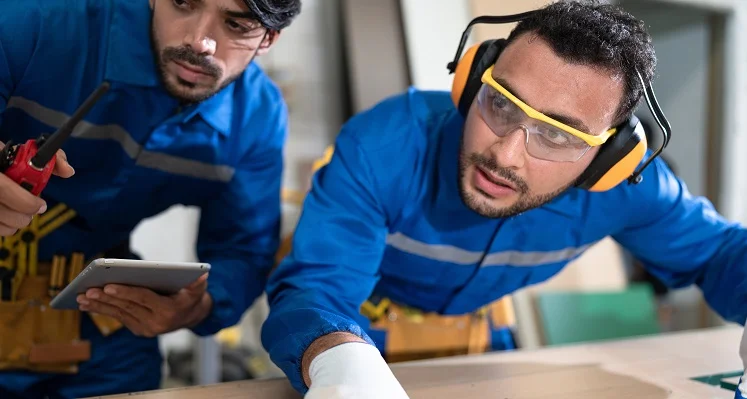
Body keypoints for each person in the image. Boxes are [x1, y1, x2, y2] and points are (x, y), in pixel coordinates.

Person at [260, 1, 747, 398]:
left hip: (480, 326)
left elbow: (722, 253)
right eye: (501, 103)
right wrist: (339, 360)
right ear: (471, 80)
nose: (505, 155)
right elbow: (317, 288)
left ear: (610, 158)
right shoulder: (385, 146)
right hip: (358, 322)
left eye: (558, 136)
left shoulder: (628, 189)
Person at [0, 0, 300, 398]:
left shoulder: (256, 119)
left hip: (97, 316)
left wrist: (198, 305)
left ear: (268, 38)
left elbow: (242, 250)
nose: (200, 41)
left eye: (237, 24)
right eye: (184, 3)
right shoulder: (33, 20)